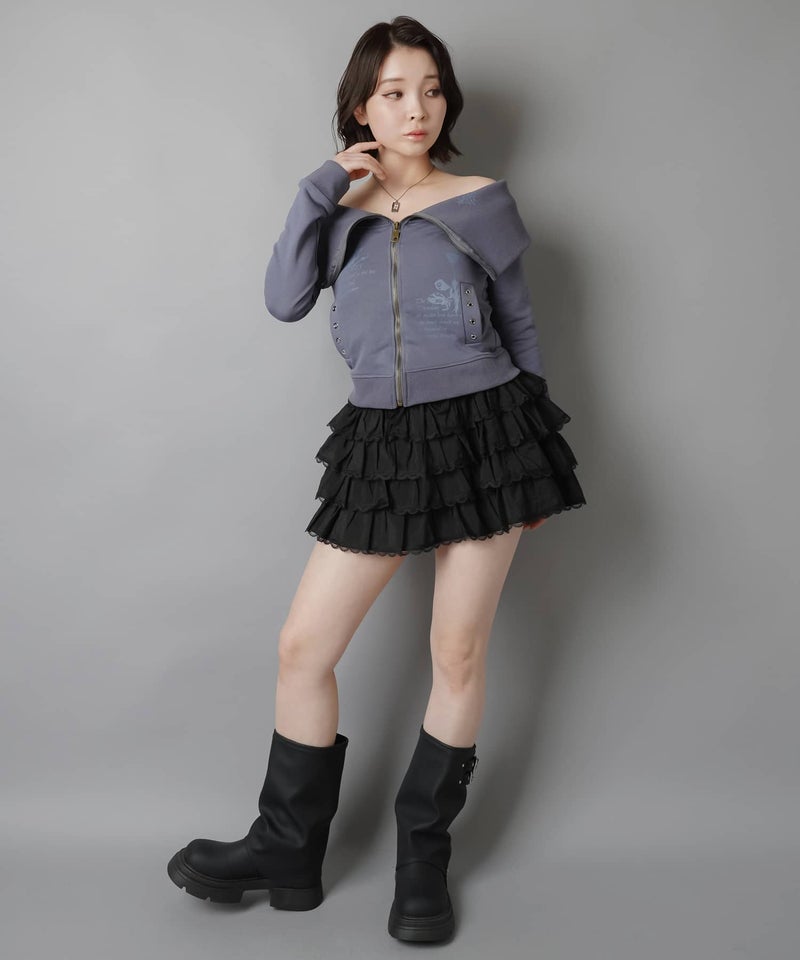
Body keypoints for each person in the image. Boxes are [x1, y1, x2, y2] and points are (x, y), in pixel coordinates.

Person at [167, 14, 586, 944]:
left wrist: (533, 465)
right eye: (394, 92)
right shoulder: (336, 211)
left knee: (458, 653)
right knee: (303, 648)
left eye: (431, 89)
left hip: (488, 432)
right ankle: (287, 850)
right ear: (361, 106)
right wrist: (323, 184)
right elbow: (283, 299)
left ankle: (422, 857)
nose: (416, 109)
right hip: (380, 445)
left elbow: (520, 325)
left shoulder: (480, 200)